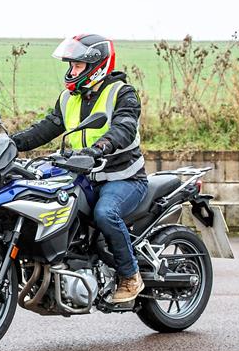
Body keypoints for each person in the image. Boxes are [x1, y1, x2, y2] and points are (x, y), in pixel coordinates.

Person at [11, 34, 148, 303]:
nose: (71, 71)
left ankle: (130, 276)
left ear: (96, 66)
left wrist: (100, 147)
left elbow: (124, 127)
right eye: (70, 66)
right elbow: (47, 128)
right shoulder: (69, 98)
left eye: (77, 66)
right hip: (83, 175)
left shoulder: (122, 93)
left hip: (124, 178)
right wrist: (11, 142)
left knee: (105, 213)